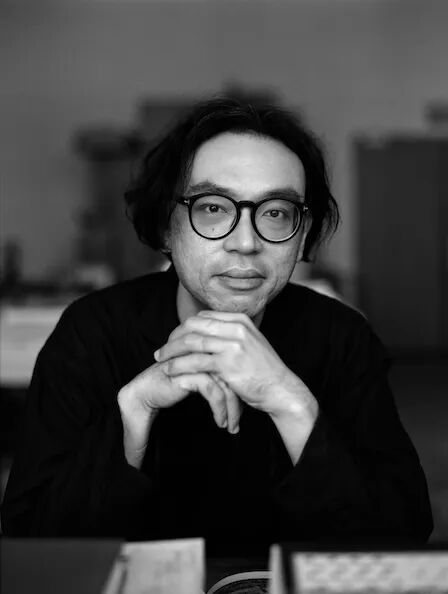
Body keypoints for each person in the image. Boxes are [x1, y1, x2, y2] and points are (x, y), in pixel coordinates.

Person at [1, 96, 432, 553]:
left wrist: (291, 404)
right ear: (166, 227)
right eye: (212, 208)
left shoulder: (342, 338)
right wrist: (134, 412)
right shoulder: (92, 332)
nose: (245, 242)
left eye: (276, 213)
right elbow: (30, 542)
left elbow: (402, 537)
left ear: (302, 234)